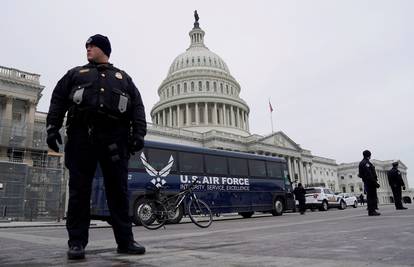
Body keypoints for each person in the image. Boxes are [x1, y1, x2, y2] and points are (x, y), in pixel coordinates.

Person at [46, 34, 147, 260]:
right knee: (79, 192)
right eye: (87, 46)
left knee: (118, 193)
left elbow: (138, 108)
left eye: (92, 45)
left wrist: (138, 134)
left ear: (104, 49)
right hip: (83, 136)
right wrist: (52, 127)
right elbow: (58, 99)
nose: (88, 49)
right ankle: (77, 243)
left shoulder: (124, 79)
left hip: (114, 139)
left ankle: (125, 241)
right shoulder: (75, 74)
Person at [358, 150, 380, 216]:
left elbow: (360, 174)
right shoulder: (366, 163)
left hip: (367, 181)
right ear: (369, 155)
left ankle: (372, 210)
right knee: (371, 197)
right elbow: (369, 174)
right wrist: (375, 182)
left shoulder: (362, 162)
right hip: (370, 182)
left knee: (370, 196)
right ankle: (372, 211)